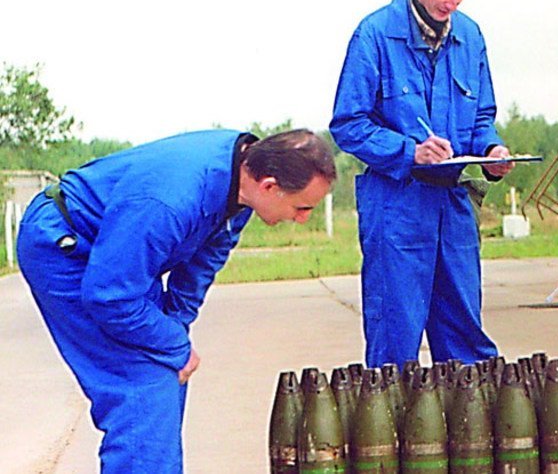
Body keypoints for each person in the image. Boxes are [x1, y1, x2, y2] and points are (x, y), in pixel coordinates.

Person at [16, 128, 336, 473]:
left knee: (167, 375)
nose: (304, 218)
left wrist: (176, 330)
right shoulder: (171, 200)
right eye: (302, 207)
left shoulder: (242, 179)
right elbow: (110, 297)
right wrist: (173, 346)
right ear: (270, 186)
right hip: (67, 246)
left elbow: (203, 263)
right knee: (143, 386)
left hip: (118, 251)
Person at [330, 0, 512, 369]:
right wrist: (409, 152)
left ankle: (470, 431)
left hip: (454, 204)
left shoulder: (470, 37)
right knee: (395, 337)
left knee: (465, 335)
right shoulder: (374, 35)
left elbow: (482, 114)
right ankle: (390, 431)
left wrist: (491, 149)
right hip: (397, 204)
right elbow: (348, 124)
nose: (452, 4)